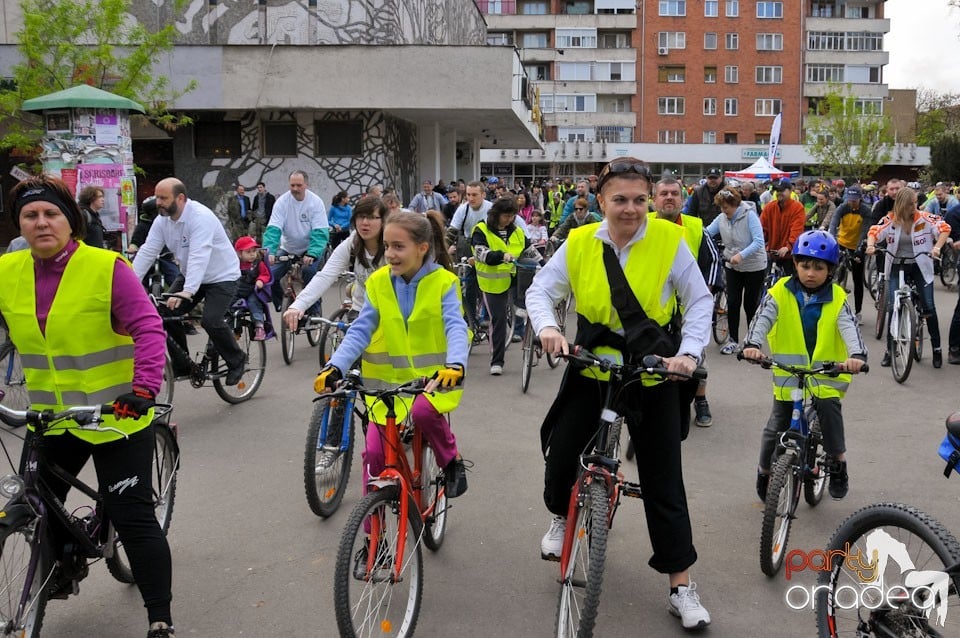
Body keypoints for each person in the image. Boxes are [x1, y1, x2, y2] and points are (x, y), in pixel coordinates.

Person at [526, 158, 713, 630]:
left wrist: (687, 355)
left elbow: (699, 301)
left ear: (649, 198)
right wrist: (548, 328)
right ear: (601, 199)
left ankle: (681, 586)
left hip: (652, 372)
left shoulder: (670, 241)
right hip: (592, 366)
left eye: (638, 199)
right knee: (561, 450)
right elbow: (540, 291)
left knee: (663, 481)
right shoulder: (578, 242)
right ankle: (561, 517)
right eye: (620, 200)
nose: (630, 209)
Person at [1, 174, 175, 638]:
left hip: (115, 416)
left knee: (132, 516)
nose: (41, 223)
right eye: (30, 215)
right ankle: (61, 567)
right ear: (19, 224)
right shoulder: (7, 271)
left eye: (51, 214)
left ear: (70, 221)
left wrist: (142, 389)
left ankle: (161, 618)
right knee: (37, 504)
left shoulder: (105, 267)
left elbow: (149, 329)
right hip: (51, 417)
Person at [314, 210, 470, 502]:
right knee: (374, 453)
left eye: (399, 247)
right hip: (387, 386)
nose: (389, 254)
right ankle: (373, 538)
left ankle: (450, 459)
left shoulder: (444, 282)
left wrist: (456, 364)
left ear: (422, 248)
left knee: (423, 412)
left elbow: (455, 326)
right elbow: (361, 329)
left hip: (435, 380)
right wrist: (335, 366)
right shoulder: (378, 282)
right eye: (386, 246)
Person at [742, 230, 867, 503]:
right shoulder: (780, 291)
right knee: (776, 425)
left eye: (819, 267)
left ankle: (838, 463)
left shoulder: (837, 297)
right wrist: (752, 344)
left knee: (829, 412)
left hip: (827, 372)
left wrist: (857, 355)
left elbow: (849, 328)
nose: (811, 273)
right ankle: (765, 471)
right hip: (789, 372)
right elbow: (763, 317)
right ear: (795, 265)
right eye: (805, 265)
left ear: (830, 270)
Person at [132, 177, 247, 385]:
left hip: (221, 276)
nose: (158, 202)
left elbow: (199, 254)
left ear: (181, 198)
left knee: (210, 320)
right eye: (157, 197)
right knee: (163, 313)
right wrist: (129, 285)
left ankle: (237, 360)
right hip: (190, 275)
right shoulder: (162, 221)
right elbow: (148, 251)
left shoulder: (201, 217)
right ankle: (182, 365)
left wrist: (188, 291)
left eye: (163, 198)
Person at [654, 176, 722, 430]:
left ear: (682, 200)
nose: (669, 197)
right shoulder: (644, 225)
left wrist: (706, 293)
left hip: (688, 307)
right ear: (654, 200)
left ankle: (700, 400)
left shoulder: (695, 227)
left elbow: (714, 261)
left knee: (696, 357)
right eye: (664, 194)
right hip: (657, 308)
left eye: (674, 193)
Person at [867, 188, 951, 368]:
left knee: (928, 305)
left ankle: (936, 348)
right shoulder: (891, 219)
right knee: (892, 306)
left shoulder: (924, 217)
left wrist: (937, 247)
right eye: (910, 204)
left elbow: (944, 228)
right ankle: (890, 350)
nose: (915, 207)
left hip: (920, 265)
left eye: (915, 203)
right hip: (897, 265)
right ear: (901, 205)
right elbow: (874, 231)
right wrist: (871, 246)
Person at [282, 196, 389, 330]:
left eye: (372, 217)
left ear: (383, 221)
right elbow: (325, 275)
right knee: (352, 348)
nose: (365, 222)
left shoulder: (392, 246)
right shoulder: (352, 244)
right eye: (360, 217)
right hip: (361, 311)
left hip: (391, 313)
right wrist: (298, 305)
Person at [472, 196, 534, 375]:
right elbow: (482, 254)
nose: (509, 220)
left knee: (531, 274)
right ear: (496, 214)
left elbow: (530, 251)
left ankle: (522, 309)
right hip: (492, 283)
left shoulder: (517, 231)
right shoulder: (481, 230)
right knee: (498, 321)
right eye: (506, 216)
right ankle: (497, 361)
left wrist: (545, 264)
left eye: (512, 216)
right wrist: (502, 255)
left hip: (514, 279)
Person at [706, 187, 767, 355]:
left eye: (725, 207)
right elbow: (706, 233)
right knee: (733, 303)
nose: (723, 211)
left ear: (734, 204)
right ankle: (733, 340)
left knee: (750, 304)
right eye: (721, 207)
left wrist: (741, 255)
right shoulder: (722, 218)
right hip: (732, 265)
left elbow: (758, 241)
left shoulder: (749, 216)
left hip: (754, 266)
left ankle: (752, 340)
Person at [263, 170, 330, 315]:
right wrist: (270, 251)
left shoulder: (315, 202)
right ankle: (282, 304)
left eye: (299, 185)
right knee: (269, 274)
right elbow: (273, 229)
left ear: (306, 184)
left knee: (309, 273)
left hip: (310, 248)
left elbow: (320, 231)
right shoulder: (282, 202)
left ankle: (314, 310)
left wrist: (312, 253)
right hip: (288, 248)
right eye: (292, 185)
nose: (295, 189)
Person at [449, 181, 494, 333]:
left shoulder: (491, 209)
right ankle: (470, 320)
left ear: (483, 195)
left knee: (488, 283)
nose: (471, 198)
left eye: (474, 195)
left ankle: (488, 316)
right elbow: (452, 231)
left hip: (488, 246)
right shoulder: (463, 209)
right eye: (468, 195)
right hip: (468, 246)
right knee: (469, 286)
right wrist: (442, 249)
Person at [828, 186, 872, 322]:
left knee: (858, 280)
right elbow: (834, 223)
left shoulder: (865, 211)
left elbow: (865, 231)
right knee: (833, 276)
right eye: (849, 200)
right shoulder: (842, 207)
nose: (851, 202)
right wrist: (832, 237)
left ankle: (858, 311)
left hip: (856, 245)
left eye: (854, 200)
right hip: (842, 242)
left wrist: (859, 248)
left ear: (860, 199)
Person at [127, 196, 181, 289]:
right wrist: (133, 247)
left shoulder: (168, 222)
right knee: (138, 277)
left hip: (165, 256)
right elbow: (136, 240)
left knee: (175, 277)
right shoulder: (142, 225)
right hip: (147, 256)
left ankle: (178, 295)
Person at [760, 179, 806, 278]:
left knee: (790, 282)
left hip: (789, 254)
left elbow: (796, 230)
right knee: (763, 281)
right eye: (778, 190)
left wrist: (788, 246)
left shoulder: (797, 208)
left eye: (782, 190)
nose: (779, 193)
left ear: (790, 191)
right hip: (771, 251)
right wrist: (761, 243)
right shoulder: (769, 207)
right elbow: (762, 228)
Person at [233, 235, 271, 341]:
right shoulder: (235, 264)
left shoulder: (258, 263)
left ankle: (259, 326)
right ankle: (236, 328)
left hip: (252, 291)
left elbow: (265, 274)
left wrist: (260, 280)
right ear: (240, 254)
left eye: (254, 251)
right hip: (238, 291)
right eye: (248, 252)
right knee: (230, 306)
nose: (252, 254)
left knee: (254, 303)